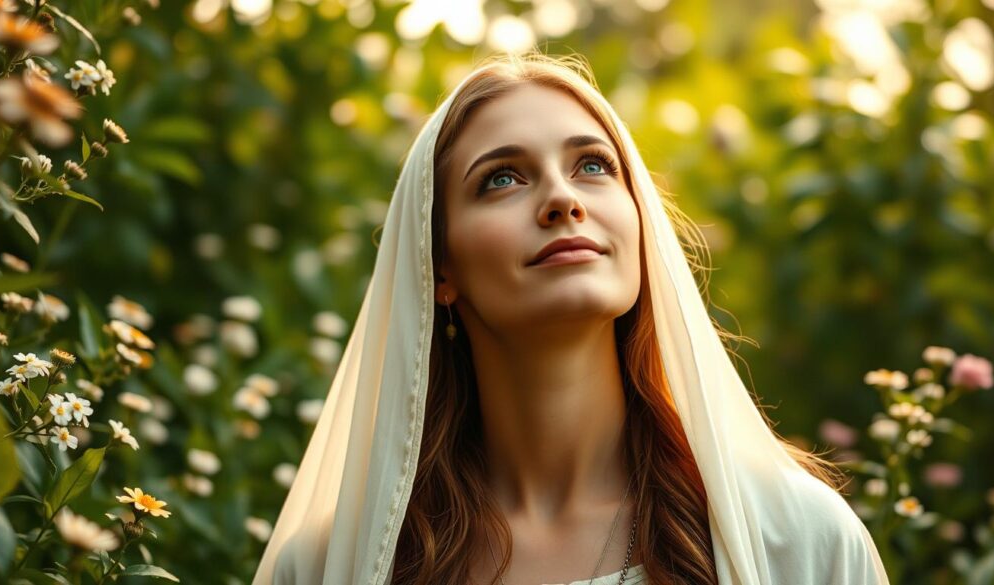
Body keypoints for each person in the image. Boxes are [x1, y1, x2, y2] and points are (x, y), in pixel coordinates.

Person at [252, 52, 890, 585]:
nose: (562, 198)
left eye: (593, 166)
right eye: (502, 178)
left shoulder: (801, 544)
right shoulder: (332, 566)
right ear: (438, 265)